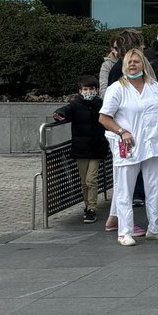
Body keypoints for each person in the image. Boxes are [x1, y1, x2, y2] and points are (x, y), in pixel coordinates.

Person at [98, 48, 158, 247]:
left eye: (136, 62)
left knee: (155, 188)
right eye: (129, 62)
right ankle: (125, 231)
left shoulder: (155, 87)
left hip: (154, 145)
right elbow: (104, 118)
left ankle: (155, 228)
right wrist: (122, 131)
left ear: (143, 64)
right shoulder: (117, 89)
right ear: (124, 66)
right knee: (125, 190)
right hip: (128, 147)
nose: (132, 65)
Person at [52, 75, 109, 226]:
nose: (89, 91)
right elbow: (65, 110)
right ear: (80, 91)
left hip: (97, 147)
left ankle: (91, 208)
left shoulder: (102, 104)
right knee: (84, 181)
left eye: (91, 88)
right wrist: (59, 114)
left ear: (97, 90)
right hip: (81, 148)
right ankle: (87, 205)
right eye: (85, 89)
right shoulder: (75, 105)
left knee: (91, 179)